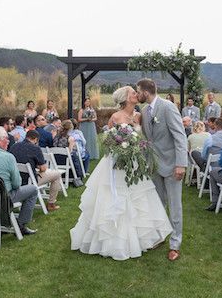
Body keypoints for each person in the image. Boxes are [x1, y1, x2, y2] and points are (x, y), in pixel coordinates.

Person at [71, 85, 173, 261]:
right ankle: (111, 241)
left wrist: (137, 147)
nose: (136, 94)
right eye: (133, 93)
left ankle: (145, 237)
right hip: (116, 163)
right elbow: (108, 140)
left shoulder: (140, 116)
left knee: (138, 198)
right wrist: (119, 148)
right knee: (114, 198)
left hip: (134, 163)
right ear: (125, 98)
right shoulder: (115, 117)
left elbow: (145, 139)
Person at [137, 78, 188, 261]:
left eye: (138, 91)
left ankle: (175, 243)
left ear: (146, 91)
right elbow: (147, 139)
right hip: (154, 165)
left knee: (175, 206)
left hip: (173, 164)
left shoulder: (167, 107)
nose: (137, 95)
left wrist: (181, 164)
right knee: (157, 204)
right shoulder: (143, 111)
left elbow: (180, 136)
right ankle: (159, 236)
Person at [0, 126, 39, 235]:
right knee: (33, 190)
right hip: (3, 197)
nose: (9, 141)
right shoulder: (8, 157)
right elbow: (17, 184)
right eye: (6, 138)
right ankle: (21, 225)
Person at [10, 130, 63, 211]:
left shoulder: (14, 146)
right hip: (30, 180)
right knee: (57, 174)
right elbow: (43, 168)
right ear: (35, 139)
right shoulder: (35, 148)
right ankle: (51, 203)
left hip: (15, 179)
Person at [53, 120, 84, 187]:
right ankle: (79, 176)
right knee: (75, 155)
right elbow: (69, 152)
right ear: (71, 128)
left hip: (55, 160)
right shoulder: (70, 138)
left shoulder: (56, 136)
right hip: (65, 160)